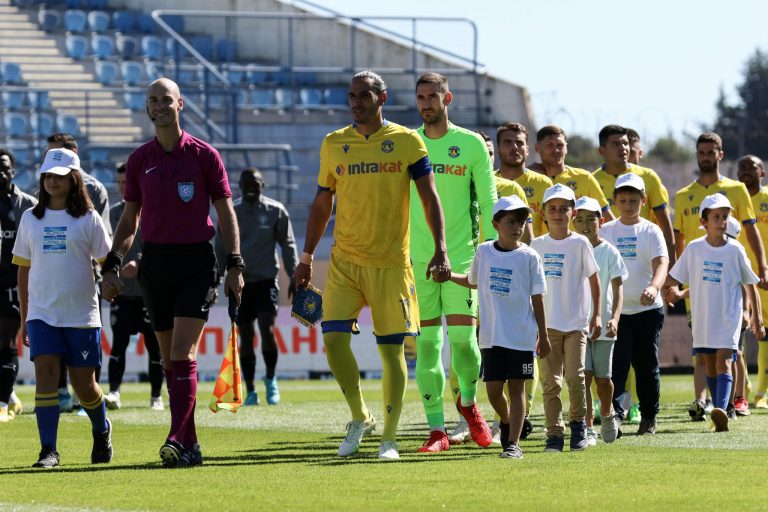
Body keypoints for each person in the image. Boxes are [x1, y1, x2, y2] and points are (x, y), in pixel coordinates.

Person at [293, 70, 448, 460]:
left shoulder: (407, 141)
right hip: (345, 263)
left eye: (364, 95)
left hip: (392, 264)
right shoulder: (334, 143)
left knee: (391, 352)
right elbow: (322, 203)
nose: (356, 101)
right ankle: (360, 417)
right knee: (332, 340)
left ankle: (389, 440)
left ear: (382, 97)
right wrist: (307, 256)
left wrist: (441, 248)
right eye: (351, 95)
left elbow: (429, 198)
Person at [101, 78, 244, 468]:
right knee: (168, 359)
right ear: (147, 108)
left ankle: (176, 437)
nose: (160, 106)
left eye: (166, 99)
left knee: (182, 351)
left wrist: (234, 262)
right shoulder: (139, 160)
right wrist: (113, 261)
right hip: (155, 264)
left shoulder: (203, 154)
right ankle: (190, 445)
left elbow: (225, 211)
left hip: (196, 262)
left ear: (180, 104)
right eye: (153, 100)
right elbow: (130, 220)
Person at [410, 72, 496, 453]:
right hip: (416, 261)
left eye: (433, 96)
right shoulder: (409, 144)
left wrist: (493, 253)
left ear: (448, 99)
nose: (426, 103)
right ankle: (436, 430)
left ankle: (468, 404)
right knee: (428, 345)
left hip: (462, 259)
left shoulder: (471, 144)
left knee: (464, 344)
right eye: (420, 97)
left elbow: (490, 200)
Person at [14, 148, 113, 468]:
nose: (51, 181)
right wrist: (26, 315)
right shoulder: (30, 218)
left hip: (82, 314)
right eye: (47, 175)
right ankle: (48, 451)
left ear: (73, 179)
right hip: (42, 314)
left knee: (84, 385)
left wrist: (118, 275)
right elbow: (23, 269)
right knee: (45, 376)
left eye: (58, 176)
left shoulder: (89, 218)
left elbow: (106, 261)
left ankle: (102, 430)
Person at [673, 132, 768, 421]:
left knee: (729, 352)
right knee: (704, 357)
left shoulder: (737, 190)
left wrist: (762, 268)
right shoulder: (682, 197)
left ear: (720, 154)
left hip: (732, 288)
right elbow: (679, 243)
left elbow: (751, 232)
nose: (705, 156)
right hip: (699, 290)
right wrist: (674, 286)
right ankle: (715, 402)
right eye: (701, 151)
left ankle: (733, 400)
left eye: (710, 151)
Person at [450, 195, 550, 459]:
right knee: (494, 391)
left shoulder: (530, 257)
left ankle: (513, 444)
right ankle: (506, 421)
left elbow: (538, 297)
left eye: (521, 221)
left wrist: (544, 334)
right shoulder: (484, 251)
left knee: (516, 389)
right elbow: (473, 281)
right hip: (491, 337)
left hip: (520, 336)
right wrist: (448, 275)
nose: (517, 227)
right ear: (495, 223)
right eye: (510, 221)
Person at [665, 194, 763, 432]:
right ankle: (722, 410)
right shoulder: (694, 248)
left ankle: (720, 410)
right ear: (704, 220)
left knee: (724, 360)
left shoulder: (736, 249)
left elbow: (751, 285)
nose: (721, 221)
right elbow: (677, 278)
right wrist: (668, 289)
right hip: (703, 319)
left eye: (725, 217)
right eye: (716, 217)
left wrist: (757, 318)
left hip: (728, 317)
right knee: (709, 364)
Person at [216, 168, 298, 406]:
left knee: (267, 329)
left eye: (256, 183)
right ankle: (251, 389)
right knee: (245, 335)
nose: (251, 186)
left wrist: (292, 274)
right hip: (240, 281)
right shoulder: (232, 212)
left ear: (263, 185)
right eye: (246, 183)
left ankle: (271, 380)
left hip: (266, 280)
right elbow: (220, 247)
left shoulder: (275, 211)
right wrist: (217, 278)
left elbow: (288, 244)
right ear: (239, 186)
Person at [530, 183, 601, 452]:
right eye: (553, 209)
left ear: (573, 212)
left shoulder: (580, 243)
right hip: (546, 327)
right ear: (543, 213)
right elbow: (532, 288)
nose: (558, 214)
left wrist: (596, 315)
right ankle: (554, 435)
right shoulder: (536, 245)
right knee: (551, 383)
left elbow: (594, 279)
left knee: (576, 377)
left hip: (575, 325)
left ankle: (578, 428)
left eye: (564, 209)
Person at [45, 133, 112, 413]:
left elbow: (102, 237)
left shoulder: (94, 189)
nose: (50, 162)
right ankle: (60, 391)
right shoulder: (45, 186)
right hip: (51, 278)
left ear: (72, 154)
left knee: (83, 342)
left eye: (56, 153)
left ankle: (83, 394)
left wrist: (105, 273)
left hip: (84, 279)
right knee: (52, 339)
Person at [601, 173, 669, 435]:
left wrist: (654, 287)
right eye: (623, 199)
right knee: (616, 366)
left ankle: (649, 417)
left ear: (644, 200)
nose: (629, 205)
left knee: (646, 366)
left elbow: (662, 263)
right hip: (616, 313)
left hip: (647, 311)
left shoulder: (651, 230)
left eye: (634, 200)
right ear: (615, 200)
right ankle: (615, 417)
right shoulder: (606, 231)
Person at [104, 163, 164, 411]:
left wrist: (139, 263)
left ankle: (156, 397)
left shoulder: (153, 211)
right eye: (118, 184)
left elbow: (162, 247)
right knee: (118, 344)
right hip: (123, 293)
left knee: (154, 347)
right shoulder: (113, 212)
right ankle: (114, 392)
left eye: (125, 183)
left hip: (150, 292)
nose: (121, 188)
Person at [572, 196, 627, 444]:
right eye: (580, 220)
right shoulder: (571, 248)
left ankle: (608, 413)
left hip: (604, 325)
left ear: (601, 221)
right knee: (584, 377)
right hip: (577, 325)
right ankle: (587, 426)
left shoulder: (609, 252)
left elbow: (618, 288)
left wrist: (614, 318)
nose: (585, 225)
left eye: (590, 220)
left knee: (604, 379)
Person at [0, 148, 37, 423]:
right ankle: (10, 397)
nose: (1, 173)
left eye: (5, 167)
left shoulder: (28, 205)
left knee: (5, 340)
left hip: (15, 283)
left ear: (13, 170)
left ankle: (2, 403)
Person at [736, 155, 768, 410]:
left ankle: (761, 393)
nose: (746, 171)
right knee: (739, 332)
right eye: (742, 168)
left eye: (752, 167)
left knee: (764, 334)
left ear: (763, 172)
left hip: (764, 277)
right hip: (737, 277)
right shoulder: (733, 199)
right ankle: (742, 388)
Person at [534, 125, 614, 220]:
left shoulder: (584, 178)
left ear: (566, 148)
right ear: (537, 148)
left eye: (560, 145)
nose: (556, 150)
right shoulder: (530, 180)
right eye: (549, 145)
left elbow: (606, 217)